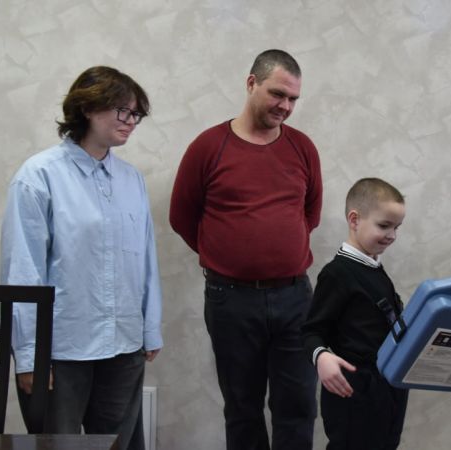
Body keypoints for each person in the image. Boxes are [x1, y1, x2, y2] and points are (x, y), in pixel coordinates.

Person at [0, 66, 162, 450]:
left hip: (124, 346)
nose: (131, 121)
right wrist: (30, 356)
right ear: (87, 108)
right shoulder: (38, 176)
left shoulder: (131, 180)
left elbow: (145, 259)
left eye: (136, 113)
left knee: (120, 445)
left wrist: (150, 328)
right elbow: (23, 270)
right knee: (57, 445)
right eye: (123, 110)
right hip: (61, 350)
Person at [169, 49, 321, 450]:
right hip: (231, 300)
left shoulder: (302, 148)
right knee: (242, 408)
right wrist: (226, 254)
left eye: (293, 99)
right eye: (277, 94)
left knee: (298, 406)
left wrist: (277, 247)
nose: (285, 106)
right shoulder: (209, 147)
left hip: (294, 298)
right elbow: (182, 216)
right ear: (251, 83)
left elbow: (310, 213)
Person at [302, 177, 408, 450]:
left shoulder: (374, 267)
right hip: (354, 390)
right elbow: (312, 331)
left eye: (396, 227)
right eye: (384, 225)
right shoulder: (337, 274)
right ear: (354, 220)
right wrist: (321, 356)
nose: (392, 235)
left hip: (388, 387)